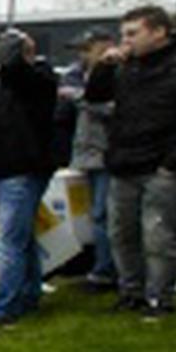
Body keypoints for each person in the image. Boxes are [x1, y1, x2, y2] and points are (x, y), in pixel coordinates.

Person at [86, 5, 176, 321]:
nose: (125, 41)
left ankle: (160, 298)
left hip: (162, 165)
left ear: (159, 32)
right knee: (121, 233)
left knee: (157, 236)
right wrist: (103, 66)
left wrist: (172, 163)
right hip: (124, 161)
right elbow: (95, 96)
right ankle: (131, 293)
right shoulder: (127, 67)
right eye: (123, 34)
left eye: (133, 33)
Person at [0, 29, 59, 330]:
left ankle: (5, 308)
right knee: (22, 240)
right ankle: (27, 296)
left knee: (9, 242)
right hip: (12, 169)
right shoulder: (15, 87)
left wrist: (14, 53)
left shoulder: (38, 81)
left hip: (20, 169)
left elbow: (16, 73)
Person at [66, 30, 117, 291]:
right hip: (85, 153)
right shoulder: (78, 74)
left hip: (106, 153)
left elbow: (114, 108)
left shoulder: (116, 73)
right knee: (94, 215)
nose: (82, 55)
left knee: (103, 215)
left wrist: (81, 100)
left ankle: (105, 270)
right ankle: (99, 265)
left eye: (87, 49)